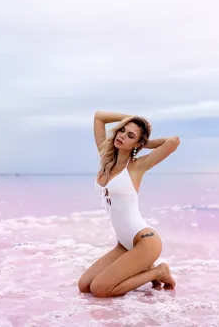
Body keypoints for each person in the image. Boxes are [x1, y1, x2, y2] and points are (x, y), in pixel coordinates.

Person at [77, 110, 180, 298]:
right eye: (122, 131)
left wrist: (146, 142)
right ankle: (144, 268)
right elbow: (99, 117)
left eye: (130, 135)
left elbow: (173, 142)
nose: (122, 136)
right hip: (124, 244)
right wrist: (133, 118)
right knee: (84, 286)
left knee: (100, 289)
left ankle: (158, 271)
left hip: (145, 241)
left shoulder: (137, 166)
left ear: (137, 144)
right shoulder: (106, 159)